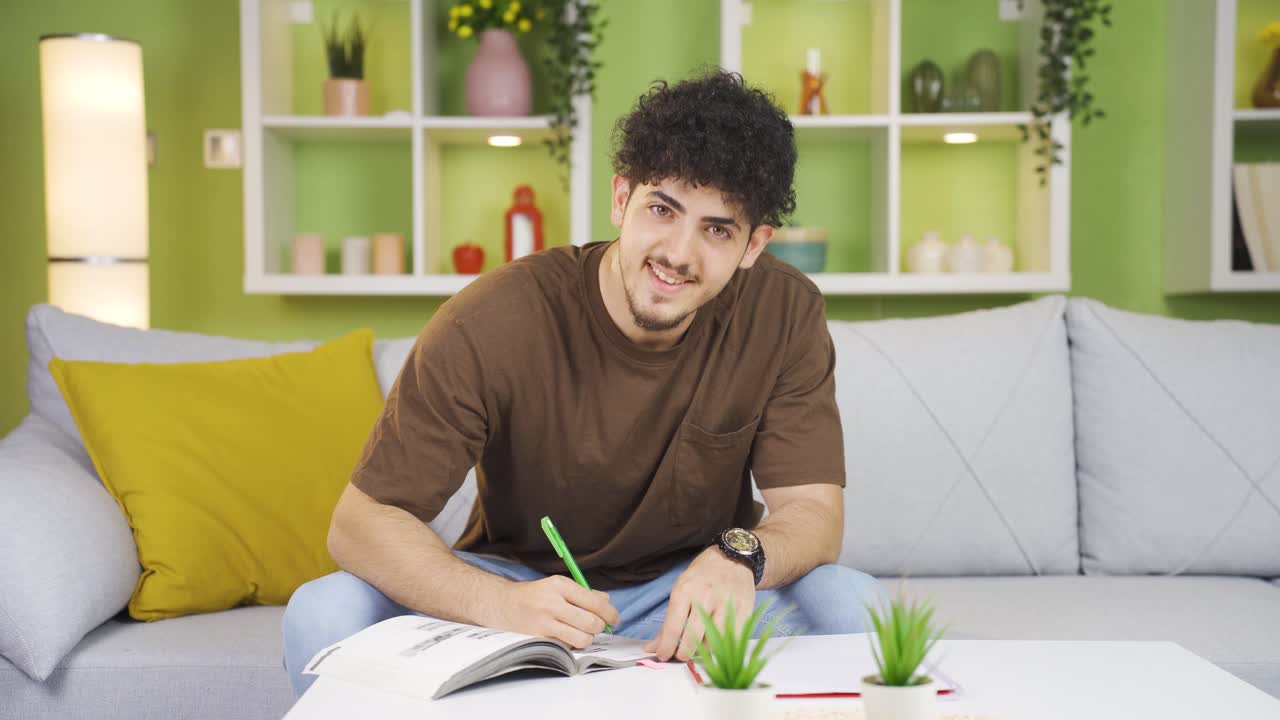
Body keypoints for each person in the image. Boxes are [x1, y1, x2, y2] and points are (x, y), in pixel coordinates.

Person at [282, 70, 884, 697]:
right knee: (324, 609)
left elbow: (814, 512)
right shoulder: (493, 317)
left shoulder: (784, 312)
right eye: (662, 210)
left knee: (852, 602)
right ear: (621, 198)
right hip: (515, 591)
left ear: (755, 244)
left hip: (690, 597)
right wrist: (501, 604)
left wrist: (739, 557)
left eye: (717, 229)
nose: (678, 254)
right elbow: (358, 523)